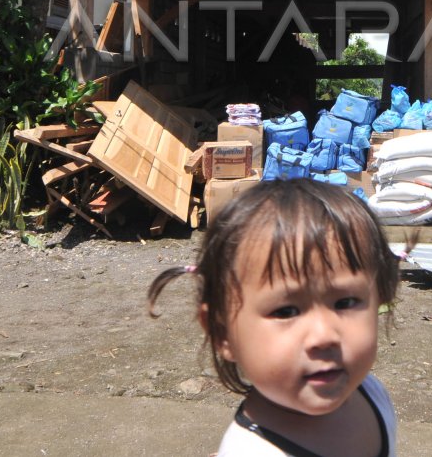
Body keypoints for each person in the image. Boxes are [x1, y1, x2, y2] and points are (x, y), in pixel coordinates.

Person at [148, 179, 399, 457]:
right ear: (223, 333)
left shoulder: (371, 393)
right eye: (286, 311)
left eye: (345, 302)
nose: (324, 335)